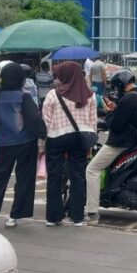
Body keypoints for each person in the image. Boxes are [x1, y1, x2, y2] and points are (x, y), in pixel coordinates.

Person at [0, 63, 46, 228]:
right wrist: (42, 133)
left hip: (3, 143)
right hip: (26, 142)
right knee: (24, 179)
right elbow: (33, 119)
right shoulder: (23, 96)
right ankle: (17, 215)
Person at [85, 70, 137, 225]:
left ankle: (92, 213)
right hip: (135, 141)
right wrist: (116, 108)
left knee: (91, 170)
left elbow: (117, 125)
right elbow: (127, 116)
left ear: (120, 85)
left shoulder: (127, 100)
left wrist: (110, 115)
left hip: (119, 143)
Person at [42, 61, 97, 227]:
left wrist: (41, 144)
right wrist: (90, 144)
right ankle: (77, 217)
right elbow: (93, 121)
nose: (57, 79)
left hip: (56, 137)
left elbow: (45, 120)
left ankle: (53, 217)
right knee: (78, 176)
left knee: (54, 176)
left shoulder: (53, 94)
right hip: (79, 138)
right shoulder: (90, 95)